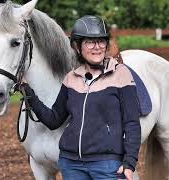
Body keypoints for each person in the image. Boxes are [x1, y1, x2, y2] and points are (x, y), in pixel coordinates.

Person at [22, 15, 141, 180]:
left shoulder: (121, 74)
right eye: (89, 42)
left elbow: (132, 122)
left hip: (107, 165)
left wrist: (129, 162)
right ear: (78, 47)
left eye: (101, 41)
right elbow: (54, 119)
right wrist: (28, 92)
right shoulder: (71, 78)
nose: (97, 47)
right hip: (71, 165)